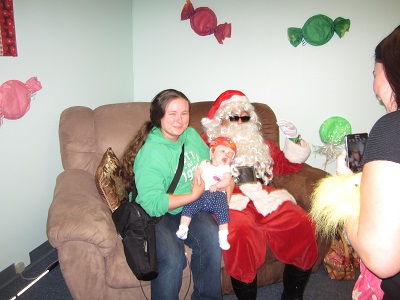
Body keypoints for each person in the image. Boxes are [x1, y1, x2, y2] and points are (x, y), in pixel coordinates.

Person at [201, 90, 319, 300]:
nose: (239, 122)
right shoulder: (205, 144)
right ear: (220, 120)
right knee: (240, 233)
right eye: (233, 116)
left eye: (244, 117)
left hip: (263, 196)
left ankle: (292, 296)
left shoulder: (261, 144)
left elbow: (287, 165)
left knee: (301, 222)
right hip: (227, 199)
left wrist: (294, 138)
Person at [121, 89, 222, 300]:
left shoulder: (191, 136)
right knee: (173, 258)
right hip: (160, 212)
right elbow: (151, 203)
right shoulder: (151, 152)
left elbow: (208, 165)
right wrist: (193, 196)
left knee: (212, 239)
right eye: (172, 113)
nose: (179, 120)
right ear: (159, 116)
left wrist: (219, 177)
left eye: (184, 113)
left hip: (190, 205)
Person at [335, 25, 400, 299]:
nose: (374, 86)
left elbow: (380, 258)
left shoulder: (391, 127)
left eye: (375, 74)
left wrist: (346, 185)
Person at [176, 136, 236, 250]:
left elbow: (227, 180)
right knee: (189, 205)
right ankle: (183, 228)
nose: (226, 155)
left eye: (230, 154)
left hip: (218, 195)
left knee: (223, 213)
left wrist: (217, 185)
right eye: (222, 151)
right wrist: (197, 175)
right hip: (201, 193)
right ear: (212, 153)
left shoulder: (226, 169)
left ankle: (223, 237)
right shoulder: (205, 163)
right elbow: (199, 170)